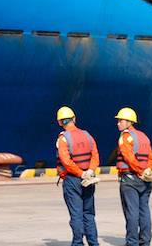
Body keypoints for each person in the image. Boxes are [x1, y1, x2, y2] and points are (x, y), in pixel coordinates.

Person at [55, 105, 100, 246]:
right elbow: (95, 155)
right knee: (89, 214)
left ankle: (78, 243)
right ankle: (94, 243)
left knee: (76, 215)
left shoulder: (63, 139)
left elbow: (66, 162)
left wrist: (81, 174)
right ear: (74, 119)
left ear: (59, 122)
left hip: (73, 180)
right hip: (89, 179)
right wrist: (90, 172)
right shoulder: (87, 135)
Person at [114, 107, 152, 246]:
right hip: (145, 179)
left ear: (129, 122)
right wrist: (147, 170)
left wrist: (139, 171)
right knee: (144, 211)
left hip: (130, 179)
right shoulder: (144, 136)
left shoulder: (125, 137)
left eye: (120, 120)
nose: (118, 123)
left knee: (131, 212)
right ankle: (145, 241)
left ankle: (132, 242)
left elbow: (129, 158)